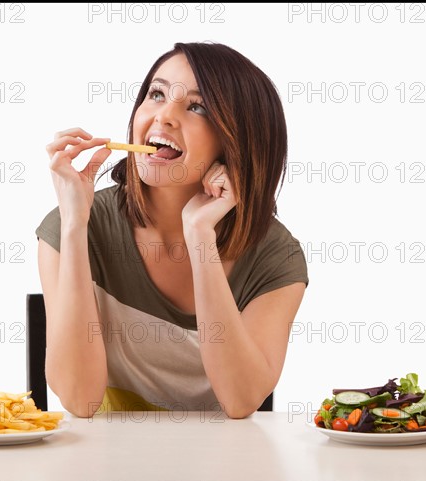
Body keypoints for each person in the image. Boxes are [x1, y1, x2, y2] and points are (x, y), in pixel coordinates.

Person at [36, 42, 308, 419]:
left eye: (197, 107)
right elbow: (79, 400)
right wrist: (73, 226)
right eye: (157, 94)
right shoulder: (73, 225)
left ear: (237, 141)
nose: (164, 116)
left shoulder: (276, 255)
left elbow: (242, 400)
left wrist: (200, 236)